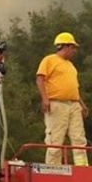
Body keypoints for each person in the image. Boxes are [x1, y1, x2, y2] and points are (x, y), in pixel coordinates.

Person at [36, 31, 89, 166]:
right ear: (66, 46)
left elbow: (74, 89)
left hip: (73, 104)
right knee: (55, 139)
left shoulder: (70, 66)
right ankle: (53, 170)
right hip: (57, 103)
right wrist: (45, 99)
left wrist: (82, 105)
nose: (74, 51)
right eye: (73, 47)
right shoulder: (49, 60)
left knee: (79, 139)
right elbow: (40, 79)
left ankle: (82, 168)